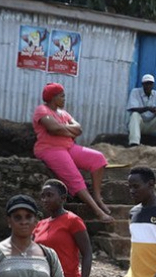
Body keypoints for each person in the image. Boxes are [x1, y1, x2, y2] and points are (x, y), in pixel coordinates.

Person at [32, 83, 113, 223]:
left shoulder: (63, 113)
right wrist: (69, 130)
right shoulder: (42, 110)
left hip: (69, 147)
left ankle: (98, 197)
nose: (64, 99)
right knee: (75, 177)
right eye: (61, 96)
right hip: (50, 149)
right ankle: (98, 212)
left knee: (98, 159)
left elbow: (79, 129)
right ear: (53, 97)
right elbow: (52, 129)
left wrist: (61, 128)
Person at [127, 74, 156, 147]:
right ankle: (134, 143)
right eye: (146, 84)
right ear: (142, 84)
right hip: (140, 124)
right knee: (134, 115)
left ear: (153, 85)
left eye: (150, 84)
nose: (148, 86)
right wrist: (148, 108)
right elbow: (132, 108)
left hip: (152, 124)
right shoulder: (135, 92)